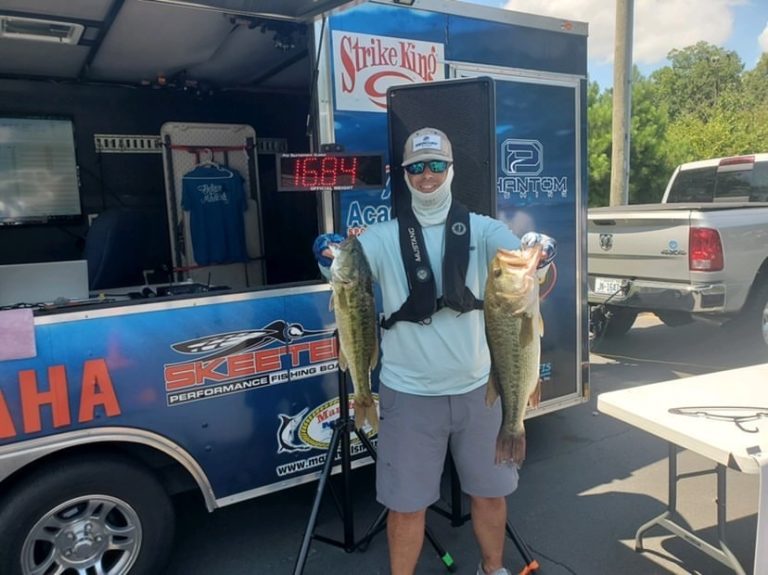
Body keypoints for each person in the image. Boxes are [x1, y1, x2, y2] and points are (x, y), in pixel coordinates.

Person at [313, 127, 555, 575]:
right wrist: (327, 255)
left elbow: (520, 257)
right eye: (417, 167)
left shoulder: (482, 229)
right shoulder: (381, 238)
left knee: (490, 492)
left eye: (436, 166)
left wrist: (538, 249)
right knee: (406, 506)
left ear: (451, 170)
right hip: (407, 393)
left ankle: (493, 569)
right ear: (403, 174)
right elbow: (343, 267)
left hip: (479, 390)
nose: (427, 176)